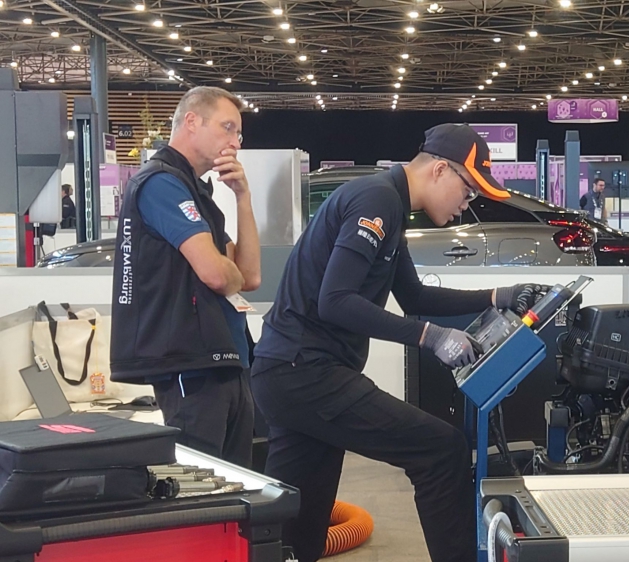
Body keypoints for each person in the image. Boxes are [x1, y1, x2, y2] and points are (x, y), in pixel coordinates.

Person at [251, 123, 550, 562]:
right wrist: (431, 336)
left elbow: (415, 297)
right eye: (467, 191)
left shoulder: (390, 203)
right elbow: (335, 301)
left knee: (298, 533)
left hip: (289, 372)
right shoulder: (377, 200)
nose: (466, 205)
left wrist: (496, 296)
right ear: (440, 170)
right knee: (440, 450)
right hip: (306, 372)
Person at [110, 86, 261, 466]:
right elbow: (217, 275)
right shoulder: (161, 183)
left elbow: (249, 276)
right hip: (191, 365)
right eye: (228, 128)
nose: (235, 143)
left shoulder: (196, 192)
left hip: (226, 360)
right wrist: (225, 270)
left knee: (238, 485)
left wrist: (242, 197)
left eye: (239, 134)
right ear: (192, 121)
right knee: (203, 486)